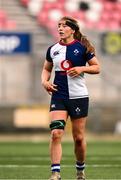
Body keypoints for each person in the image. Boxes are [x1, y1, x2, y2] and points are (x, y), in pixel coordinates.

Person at [41, 16, 100, 180]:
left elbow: (97, 67)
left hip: (78, 97)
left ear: (72, 29)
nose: (60, 28)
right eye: (58, 25)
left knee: (79, 138)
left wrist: (82, 68)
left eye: (64, 26)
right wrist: (44, 81)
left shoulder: (83, 47)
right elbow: (46, 68)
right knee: (56, 133)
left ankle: (80, 171)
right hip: (58, 96)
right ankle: (55, 173)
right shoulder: (52, 49)